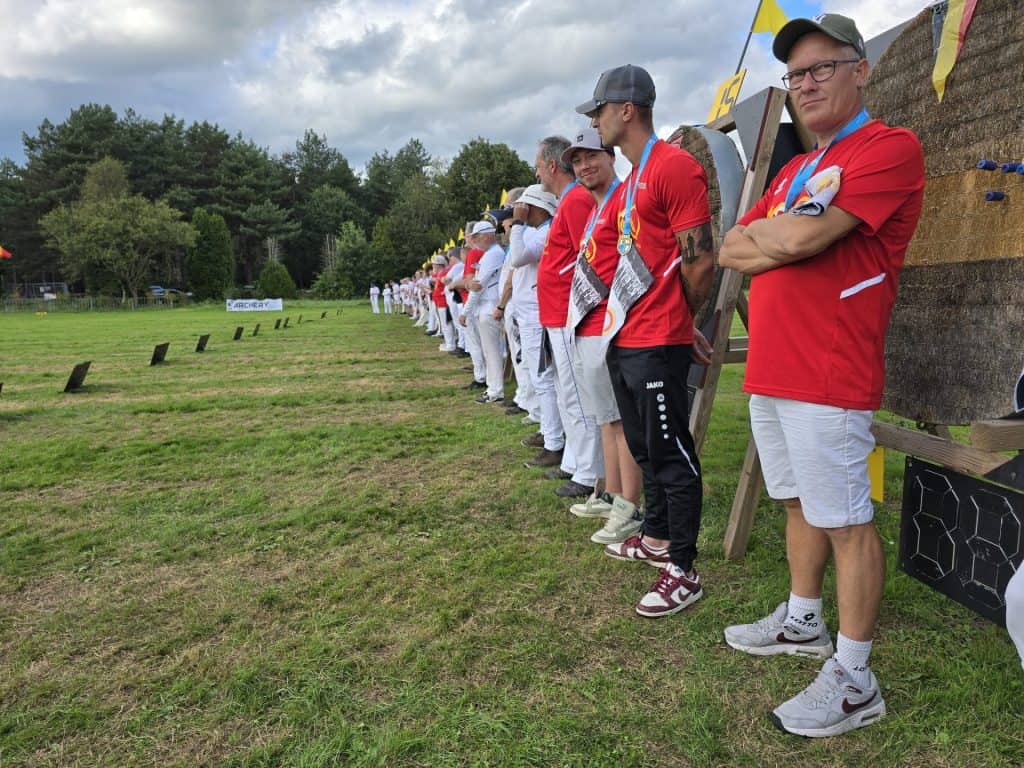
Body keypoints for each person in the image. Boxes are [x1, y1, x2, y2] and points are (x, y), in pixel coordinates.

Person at [717, 14, 925, 737]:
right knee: (799, 502)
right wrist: (783, 239)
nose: (805, 85)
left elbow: (800, 235)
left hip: (829, 369)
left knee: (847, 522)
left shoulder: (888, 147)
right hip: (775, 367)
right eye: (795, 75)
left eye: (821, 69)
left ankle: (855, 677)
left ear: (860, 68)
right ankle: (804, 620)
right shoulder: (799, 169)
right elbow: (733, 248)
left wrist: (785, 237)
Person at [578, 64, 714, 618]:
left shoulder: (674, 166)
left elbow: (700, 259)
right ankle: (655, 536)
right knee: (645, 448)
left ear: (626, 109)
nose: (596, 121)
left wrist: (684, 323)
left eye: (599, 110)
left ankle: (683, 568)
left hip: (658, 339)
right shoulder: (635, 176)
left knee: (672, 454)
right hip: (626, 336)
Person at [561, 127, 644, 545]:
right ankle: (613, 495)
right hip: (588, 325)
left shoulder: (623, 197)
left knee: (622, 421)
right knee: (607, 420)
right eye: (576, 161)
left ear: (610, 156)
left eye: (591, 155)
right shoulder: (595, 207)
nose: (584, 166)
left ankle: (630, 505)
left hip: (610, 326)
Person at [536, 135, 604, 499]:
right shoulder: (568, 201)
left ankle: (590, 471)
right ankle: (576, 463)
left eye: (537, 165)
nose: (536, 172)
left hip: (567, 311)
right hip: (555, 312)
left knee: (576, 395)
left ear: (550, 167)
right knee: (567, 394)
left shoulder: (576, 199)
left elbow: (587, 255)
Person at [507, 184, 565, 470]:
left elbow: (517, 257)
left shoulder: (545, 231)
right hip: (529, 311)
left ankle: (555, 442)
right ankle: (549, 431)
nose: (521, 211)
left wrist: (516, 223)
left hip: (537, 313)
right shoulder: (535, 231)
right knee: (539, 376)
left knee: (544, 378)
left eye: (525, 206)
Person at [463, 221, 506, 404]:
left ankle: (495, 390)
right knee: (490, 351)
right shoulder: (492, 254)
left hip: (488, 306)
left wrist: (465, 311)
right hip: (486, 306)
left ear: (487, 236)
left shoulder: (492, 254)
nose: (474, 242)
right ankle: (493, 387)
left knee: (491, 352)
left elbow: (478, 286)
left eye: (476, 237)